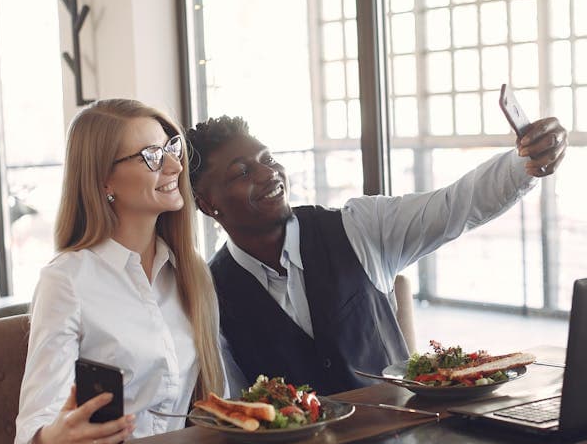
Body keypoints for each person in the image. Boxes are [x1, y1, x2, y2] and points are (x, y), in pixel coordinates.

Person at [186, 115, 567, 395]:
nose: (268, 174)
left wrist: (525, 163)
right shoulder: (209, 291)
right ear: (207, 203)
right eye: (242, 173)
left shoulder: (358, 227)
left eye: (267, 159)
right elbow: (236, 402)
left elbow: (455, 206)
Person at [15, 99, 226, 444]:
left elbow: (218, 402)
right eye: (151, 156)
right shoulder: (66, 281)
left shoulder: (191, 271)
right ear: (103, 179)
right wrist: (52, 440)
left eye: (171, 149)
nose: (175, 166)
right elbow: (31, 434)